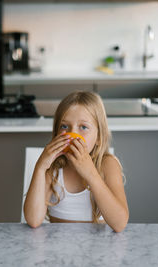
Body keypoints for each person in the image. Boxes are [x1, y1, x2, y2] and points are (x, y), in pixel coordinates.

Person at [24, 91, 129, 232]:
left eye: (83, 127)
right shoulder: (53, 167)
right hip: (58, 248)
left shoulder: (108, 165)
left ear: (99, 136)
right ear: (56, 133)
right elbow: (33, 220)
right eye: (64, 126)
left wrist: (91, 174)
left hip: (97, 250)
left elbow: (120, 224)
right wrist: (40, 167)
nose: (72, 135)